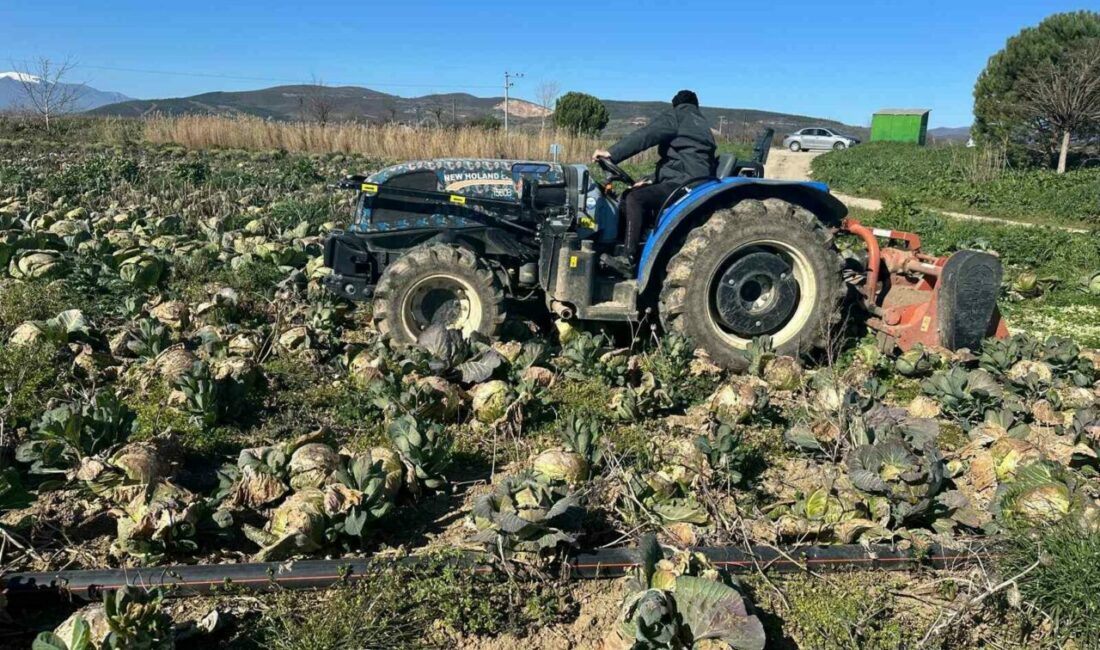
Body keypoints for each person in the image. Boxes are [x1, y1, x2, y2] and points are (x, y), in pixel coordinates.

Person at [593, 89, 716, 275]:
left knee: (634, 198)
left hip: (684, 184)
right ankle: (632, 246)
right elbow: (680, 161)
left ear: (676, 104)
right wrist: (649, 180)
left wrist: (612, 153)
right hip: (696, 181)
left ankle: (628, 258)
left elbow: (646, 135)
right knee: (631, 193)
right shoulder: (702, 124)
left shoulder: (678, 116)